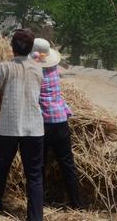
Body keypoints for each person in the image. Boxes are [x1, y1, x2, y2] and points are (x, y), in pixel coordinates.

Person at [0, 29, 44, 221]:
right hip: (34, 128)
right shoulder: (38, 68)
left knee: (1, 167)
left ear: (12, 47)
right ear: (30, 48)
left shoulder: (4, 67)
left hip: (9, 127)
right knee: (34, 175)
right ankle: (35, 217)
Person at [32, 38, 82, 209]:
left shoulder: (32, 70)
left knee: (39, 165)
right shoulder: (53, 69)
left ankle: (40, 202)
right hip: (61, 120)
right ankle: (77, 203)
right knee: (67, 163)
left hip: (43, 123)